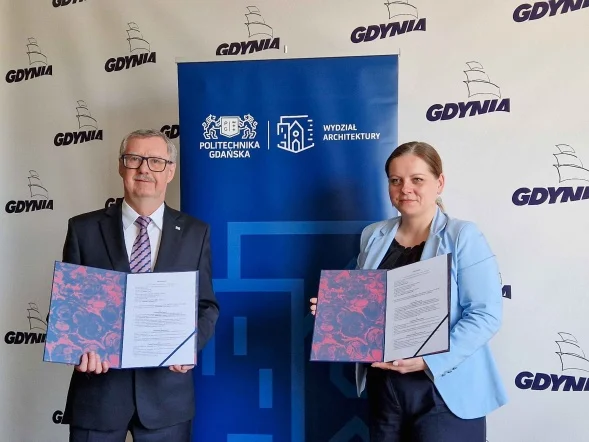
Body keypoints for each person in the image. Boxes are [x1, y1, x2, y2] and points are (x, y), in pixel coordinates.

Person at [310, 141, 507, 441]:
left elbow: (486, 314)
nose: (406, 189)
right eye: (396, 180)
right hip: (384, 388)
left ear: (439, 183)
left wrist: (430, 361)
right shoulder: (373, 235)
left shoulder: (463, 236)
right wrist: (334, 312)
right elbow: (367, 306)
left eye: (417, 179)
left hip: (443, 388)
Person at [59, 129, 219, 442]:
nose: (144, 168)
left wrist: (189, 347)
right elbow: (66, 308)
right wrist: (78, 348)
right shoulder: (83, 229)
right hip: (98, 396)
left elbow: (206, 305)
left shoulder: (195, 233)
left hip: (167, 401)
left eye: (156, 161)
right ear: (121, 166)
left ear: (170, 171)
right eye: (134, 159)